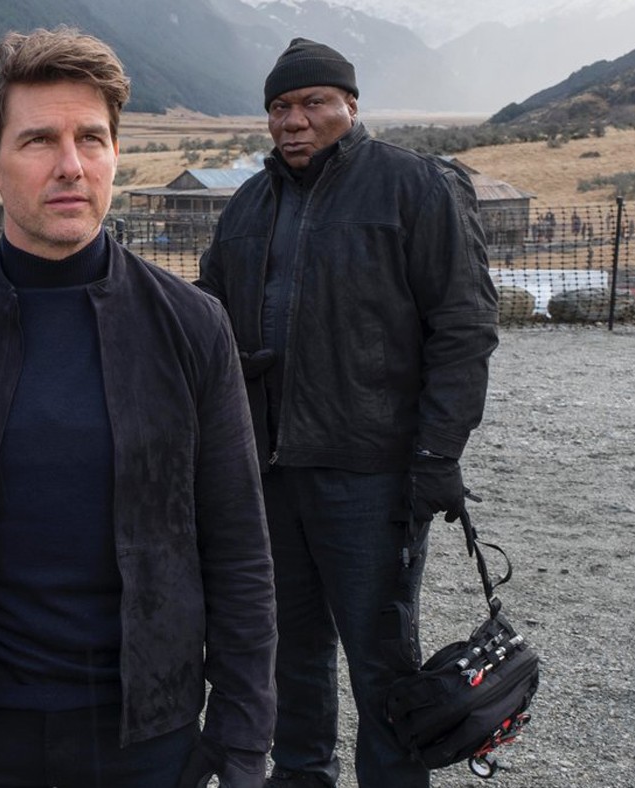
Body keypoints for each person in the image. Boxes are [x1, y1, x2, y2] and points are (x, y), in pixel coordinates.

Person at [0, 27, 276, 788]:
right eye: (39, 140)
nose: (71, 164)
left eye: (90, 138)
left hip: (144, 734)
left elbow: (237, 547)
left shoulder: (192, 327)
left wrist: (241, 736)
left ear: (114, 152)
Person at [196, 38, 499, 788]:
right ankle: (302, 776)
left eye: (312, 103)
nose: (293, 121)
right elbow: (208, 320)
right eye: (279, 107)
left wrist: (438, 453)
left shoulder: (416, 187)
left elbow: (464, 325)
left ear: (350, 106)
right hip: (271, 471)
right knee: (288, 651)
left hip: (373, 473)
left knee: (380, 657)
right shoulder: (247, 205)